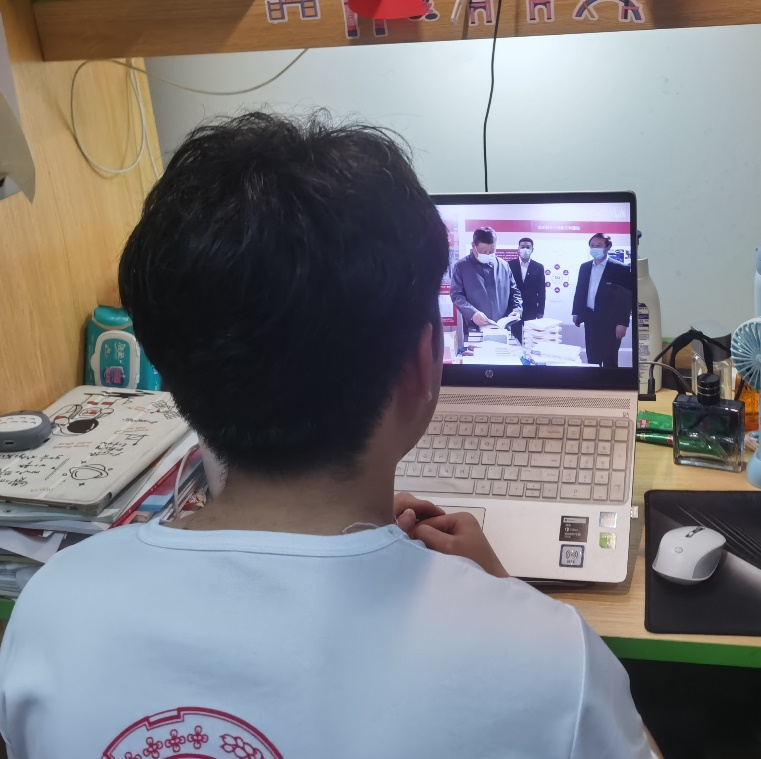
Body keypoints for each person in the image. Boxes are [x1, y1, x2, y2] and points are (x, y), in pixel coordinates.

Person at [0, 113, 661, 759]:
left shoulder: (54, 605)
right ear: (422, 364)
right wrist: (505, 597)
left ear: (168, 370)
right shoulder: (550, 664)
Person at [450, 226, 523, 343]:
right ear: (473, 246)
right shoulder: (461, 267)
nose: (488, 254)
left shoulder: (504, 266)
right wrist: (472, 313)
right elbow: (456, 295)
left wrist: (517, 310)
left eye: (492, 251)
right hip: (475, 330)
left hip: (503, 330)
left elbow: (515, 292)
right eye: (484, 252)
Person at [572, 232, 632, 368]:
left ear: (608, 247)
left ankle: (610, 381)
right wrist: (576, 312)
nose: (595, 248)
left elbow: (626, 298)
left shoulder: (620, 268)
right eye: (592, 245)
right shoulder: (585, 267)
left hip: (611, 320)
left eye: (599, 245)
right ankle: (594, 380)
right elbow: (580, 291)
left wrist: (622, 323)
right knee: (592, 357)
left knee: (610, 358)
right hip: (590, 317)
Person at [507, 236, 546, 345]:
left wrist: (540, 311)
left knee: (530, 338)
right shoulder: (509, 265)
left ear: (532, 249)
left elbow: (541, 291)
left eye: (528, 247)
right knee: (514, 337)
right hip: (513, 308)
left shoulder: (538, 267)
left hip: (531, 308)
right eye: (522, 247)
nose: (525, 249)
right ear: (518, 249)